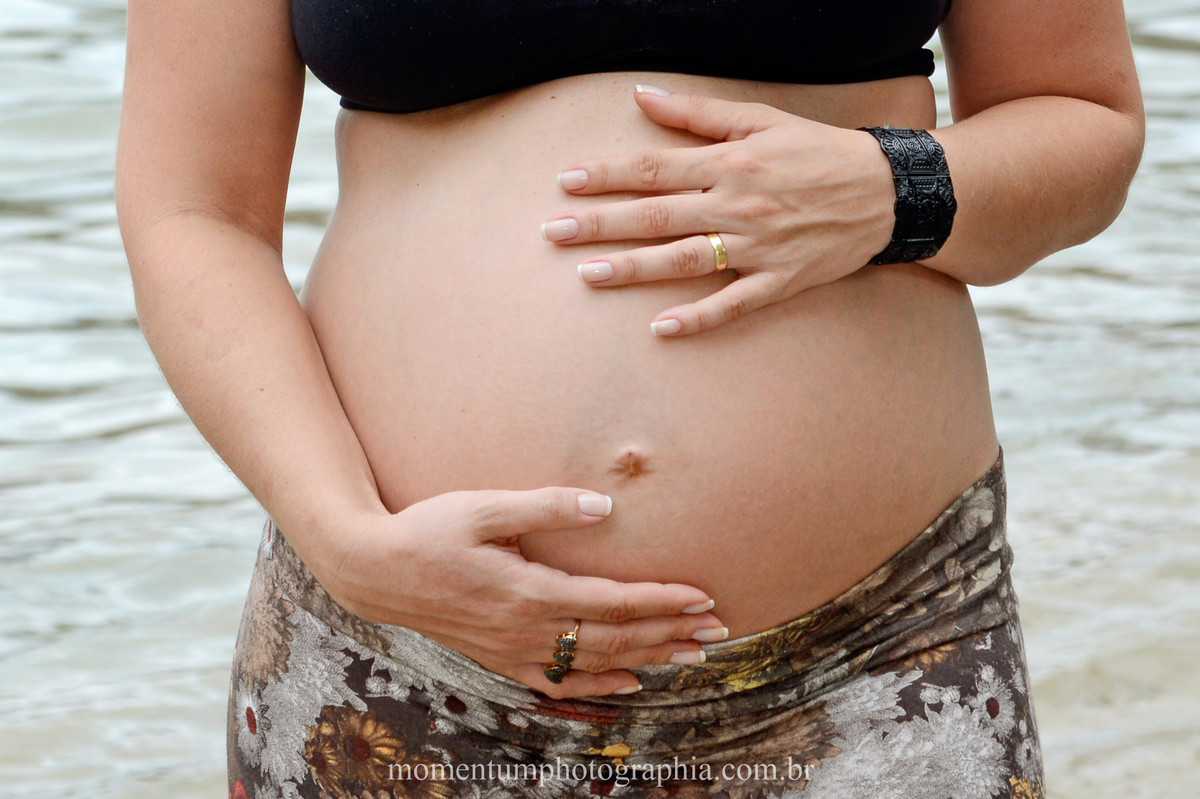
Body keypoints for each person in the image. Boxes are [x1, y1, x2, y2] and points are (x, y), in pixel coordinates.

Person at [115, 1, 1143, 797]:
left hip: (876, 657)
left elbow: (1085, 124)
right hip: (398, 659)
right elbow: (191, 210)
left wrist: (893, 184)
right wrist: (345, 541)